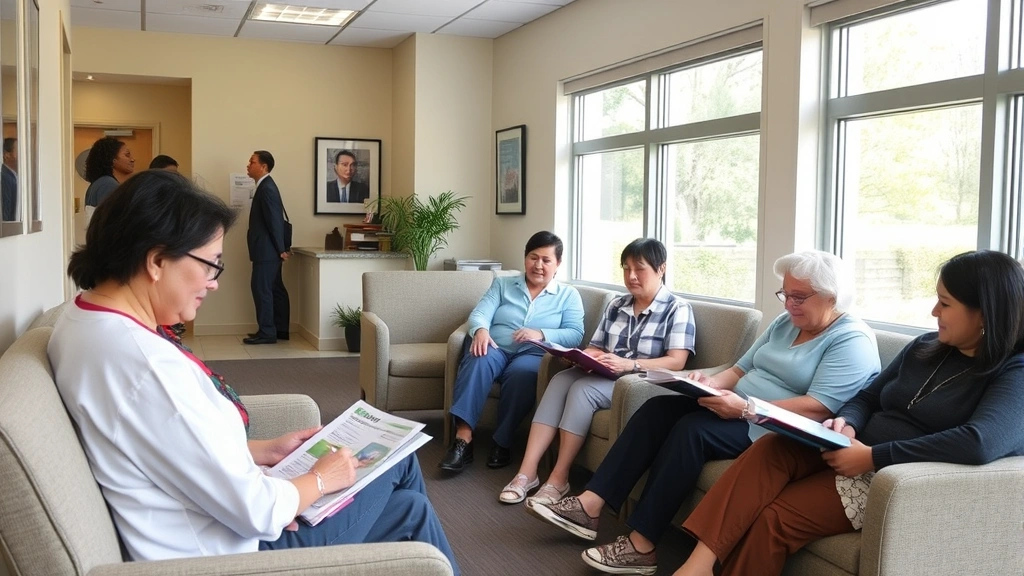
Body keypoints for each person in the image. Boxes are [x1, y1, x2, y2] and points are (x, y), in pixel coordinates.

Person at [48, 170, 460, 573]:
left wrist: (262, 450)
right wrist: (317, 481)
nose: (214, 283)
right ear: (156, 260)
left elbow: (163, 445)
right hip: (234, 551)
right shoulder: (146, 367)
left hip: (216, 519)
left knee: (409, 506)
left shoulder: (83, 319)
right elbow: (255, 510)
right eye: (210, 264)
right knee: (403, 472)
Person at [673, 249, 1024, 576]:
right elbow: (867, 396)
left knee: (775, 517)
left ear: (984, 312)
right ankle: (696, 567)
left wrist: (872, 456)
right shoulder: (925, 347)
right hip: (850, 447)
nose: (934, 312)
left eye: (945, 304)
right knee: (771, 447)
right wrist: (849, 422)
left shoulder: (1014, 372)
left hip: (893, 475)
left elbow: (980, 442)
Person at [530, 250, 881, 576]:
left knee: (691, 431)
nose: (788, 304)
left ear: (833, 297)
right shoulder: (785, 323)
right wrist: (708, 382)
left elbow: (820, 406)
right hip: (735, 405)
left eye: (799, 297)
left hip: (773, 428)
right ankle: (591, 504)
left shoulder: (851, 339)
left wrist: (745, 407)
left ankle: (643, 544)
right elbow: (740, 370)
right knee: (656, 409)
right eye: (785, 294)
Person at [499, 238, 696, 506]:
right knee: (559, 380)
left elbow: (677, 361)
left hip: (640, 382)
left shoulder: (677, 309)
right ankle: (527, 473)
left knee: (582, 389)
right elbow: (595, 346)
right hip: (605, 374)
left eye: (639, 269)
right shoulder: (617, 305)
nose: (631, 276)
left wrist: (631, 364)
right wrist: (581, 358)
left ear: (661, 268)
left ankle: (559, 478)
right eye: (626, 269)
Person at [439, 231, 586, 473]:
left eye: (546, 260)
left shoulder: (568, 296)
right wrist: (480, 330)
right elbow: (480, 313)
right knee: (478, 357)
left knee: (524, 374)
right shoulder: (503, 284)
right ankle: (463, 441)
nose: (538, 265)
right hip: (495, 346)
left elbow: (575, 334)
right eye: (533, 257)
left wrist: (540, 333)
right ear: (525, 258)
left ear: (558, 264)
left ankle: (502, 441)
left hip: (533, 354)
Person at [244, 150, 290, 345]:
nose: (248, 165)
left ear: (263, 166)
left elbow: (275, 221)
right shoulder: (266, 186)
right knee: (274, 289)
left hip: (267, 250)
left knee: (262, 289)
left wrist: (281, 248)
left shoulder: (267, 188)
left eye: (252, 162)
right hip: (269, 249)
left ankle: (267, 332)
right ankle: (279, 330)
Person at [83, 136, 135, 219]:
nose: (132, 159)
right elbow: (112, 221)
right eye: (127, 155)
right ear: (113, 159)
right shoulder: (107, 184)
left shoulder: (100, 183)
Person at [1, 137, 16, 221]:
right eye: (18, 151)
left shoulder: (13, 175)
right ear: (7, 155)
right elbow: (5, 212)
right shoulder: (4, 177)